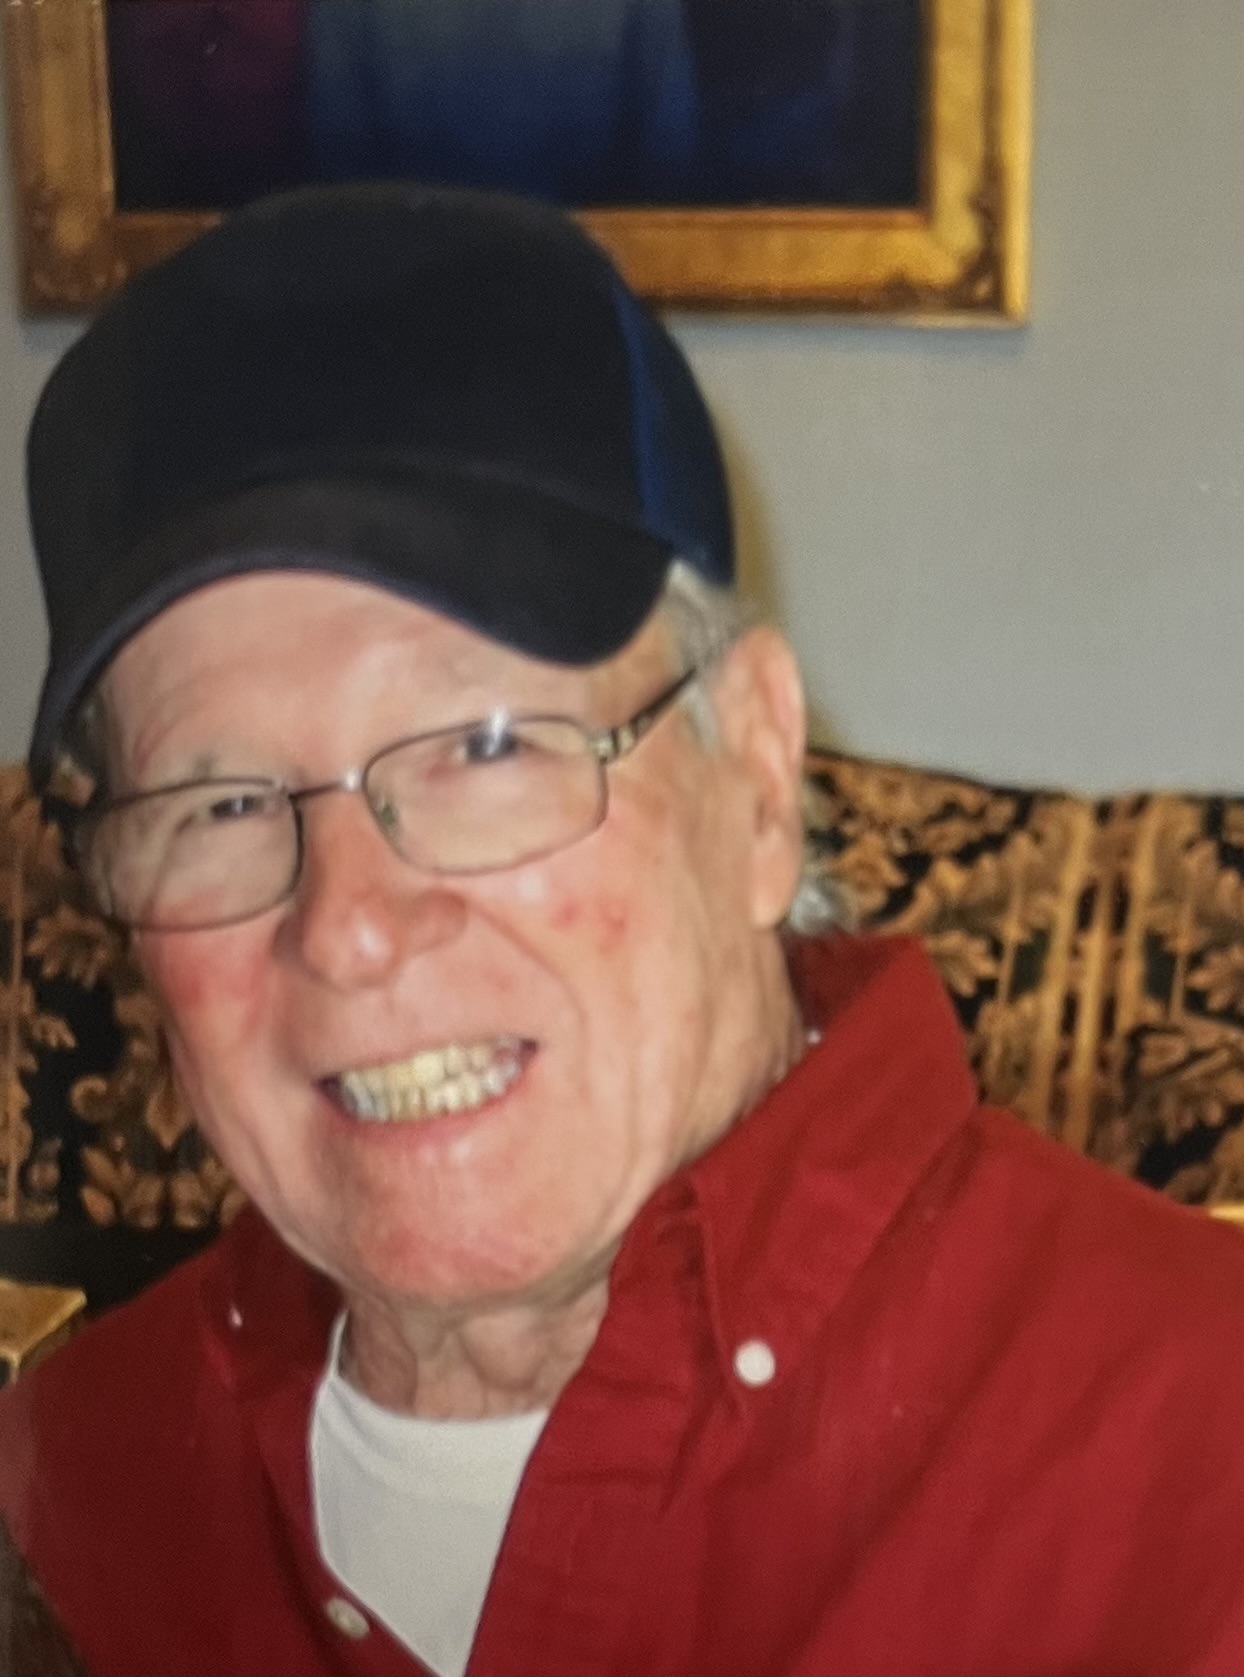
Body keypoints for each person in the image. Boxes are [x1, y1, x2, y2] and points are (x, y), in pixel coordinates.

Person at [0, 182, 1241, 1677]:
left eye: (484, 745)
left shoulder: (1195, 1469)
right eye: (220, 802)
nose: (349, 929)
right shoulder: (68, 1496)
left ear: (760, 777)